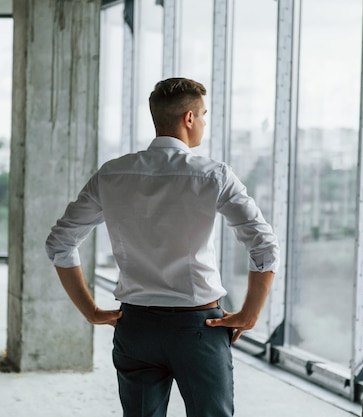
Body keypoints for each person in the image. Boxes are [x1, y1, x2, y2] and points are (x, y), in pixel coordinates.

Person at [45, 77, 279, 417]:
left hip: (135, 326)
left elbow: (60, 242)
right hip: (199, 327)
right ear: (188, 118)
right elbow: (263, 245)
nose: (202, 124)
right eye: (202, 116)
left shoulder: (112, 174)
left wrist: (90, 310)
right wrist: (249, 313)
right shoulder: (214, 175)